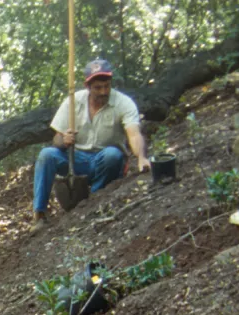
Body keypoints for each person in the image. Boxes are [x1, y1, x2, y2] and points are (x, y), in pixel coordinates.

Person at [32, 58, 151, 222]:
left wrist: (142, 158)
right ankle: (39, 214)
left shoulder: (123, 103)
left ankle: (92, 202)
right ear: (87, 86)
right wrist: (64, 139)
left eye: (106, 86)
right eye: (98, 87)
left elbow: (134, 134)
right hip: (77, 159)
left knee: (112, 155)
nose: (103, 91)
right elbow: (56, 139)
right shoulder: (73, 102)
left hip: (105, 160)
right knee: (46, 154)